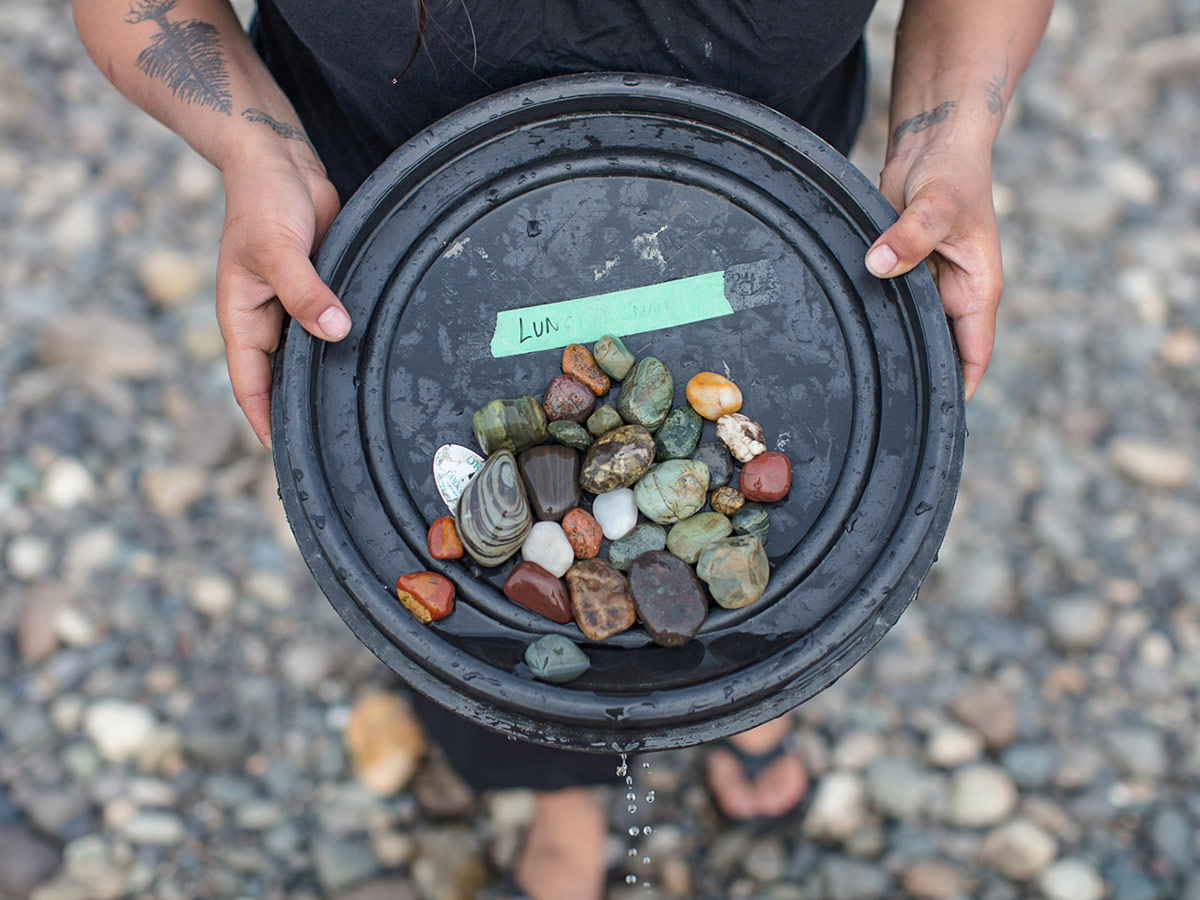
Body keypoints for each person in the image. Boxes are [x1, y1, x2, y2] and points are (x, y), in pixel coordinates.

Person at [72, 2, 1053, 898]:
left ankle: (747, 670)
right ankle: (559, 789)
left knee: (797, 546)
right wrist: (258, 153)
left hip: (766, 210)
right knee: (479, 601)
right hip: (399, 244)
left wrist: (948, 134)